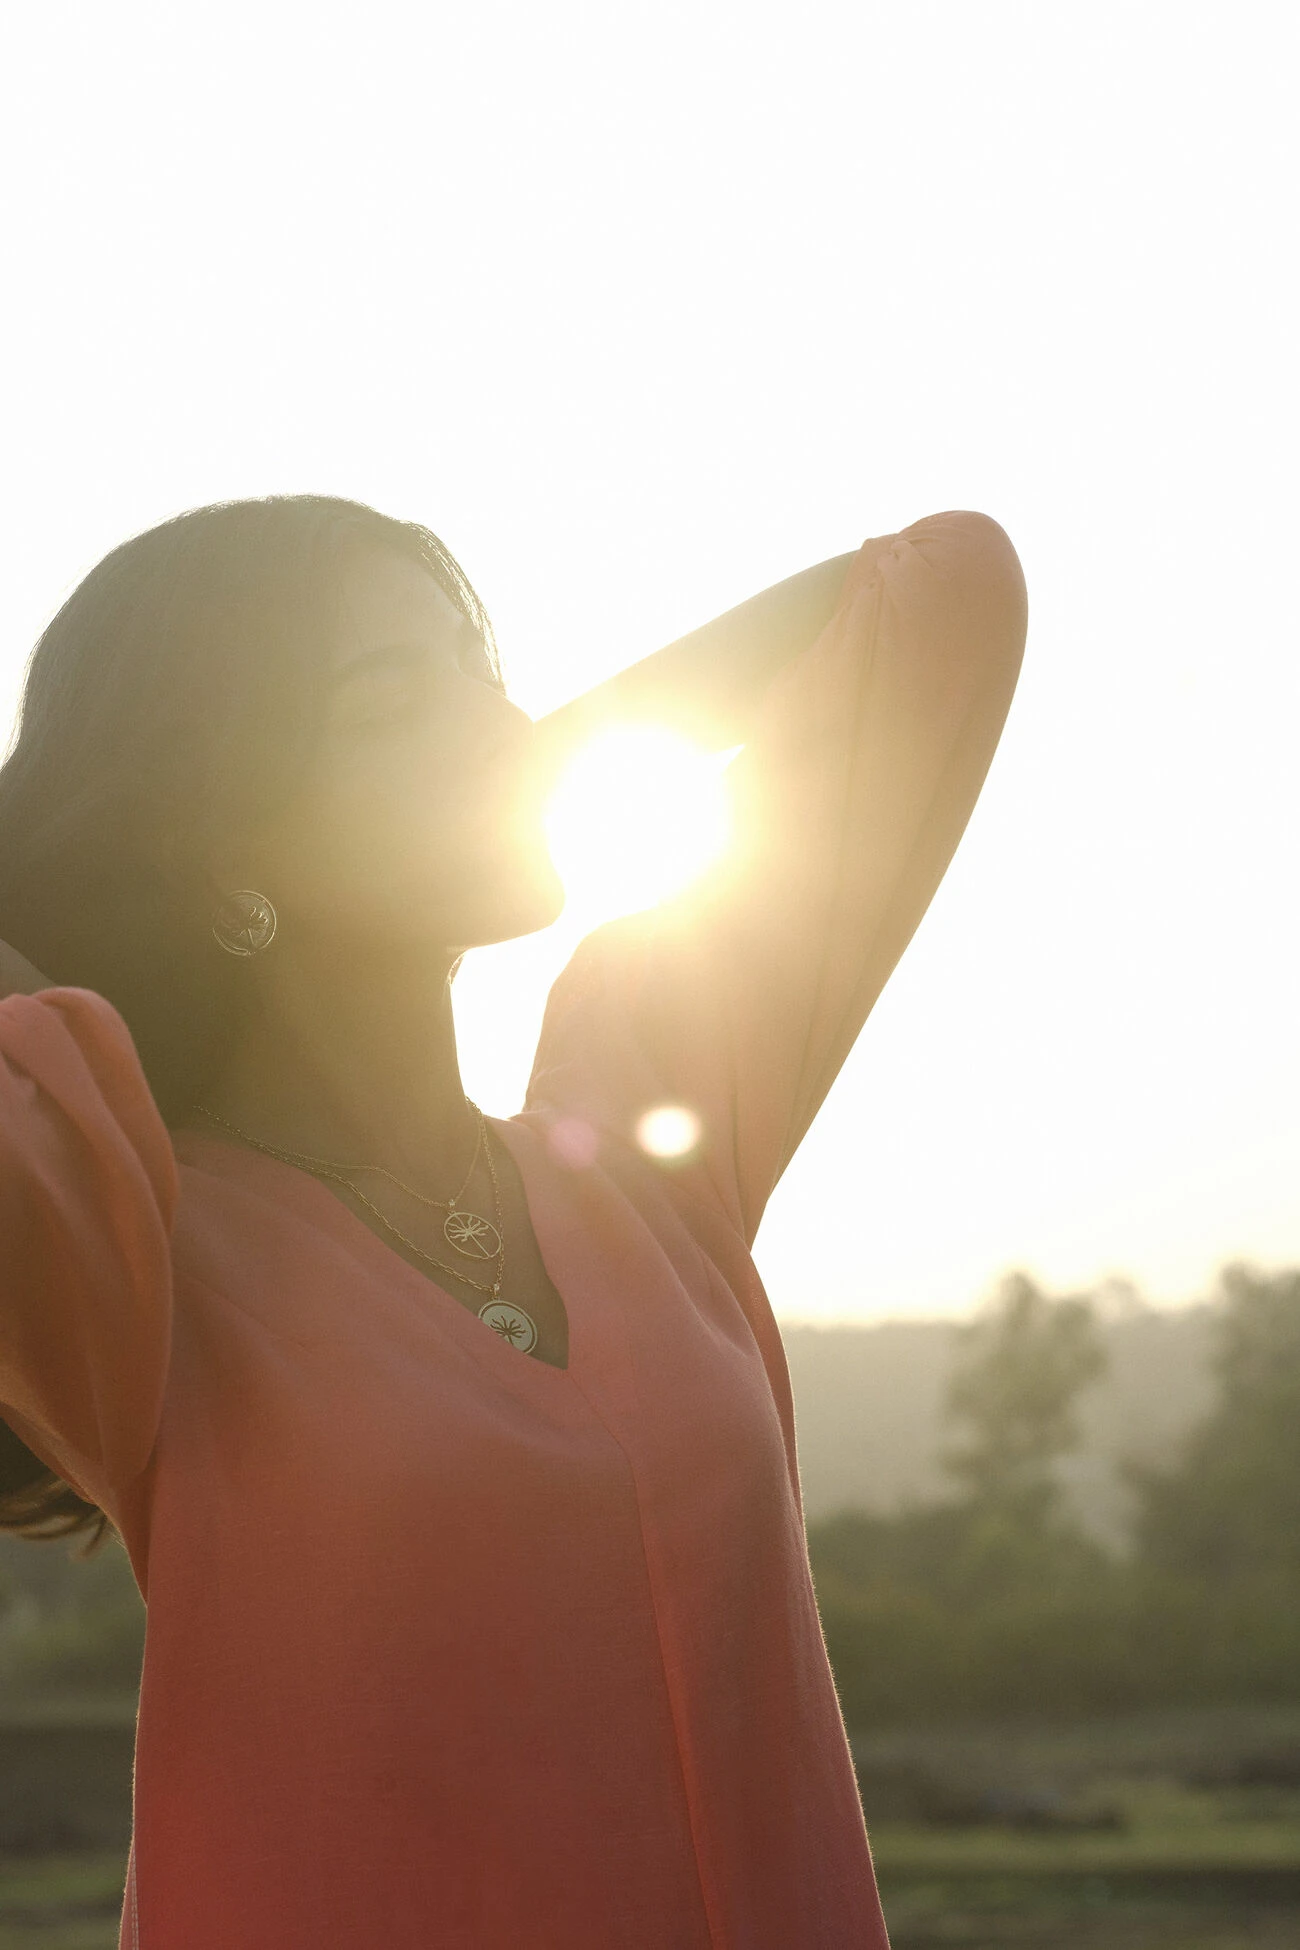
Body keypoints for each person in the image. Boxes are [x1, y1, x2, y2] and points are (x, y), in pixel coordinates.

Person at [0, 492, 1027, 1948]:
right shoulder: (138, 1253)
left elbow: (943, 595)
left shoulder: (645, 1135)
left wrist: (517, 753)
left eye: (486, 670)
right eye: (390, 696)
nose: (499, 717)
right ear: (226, 830)